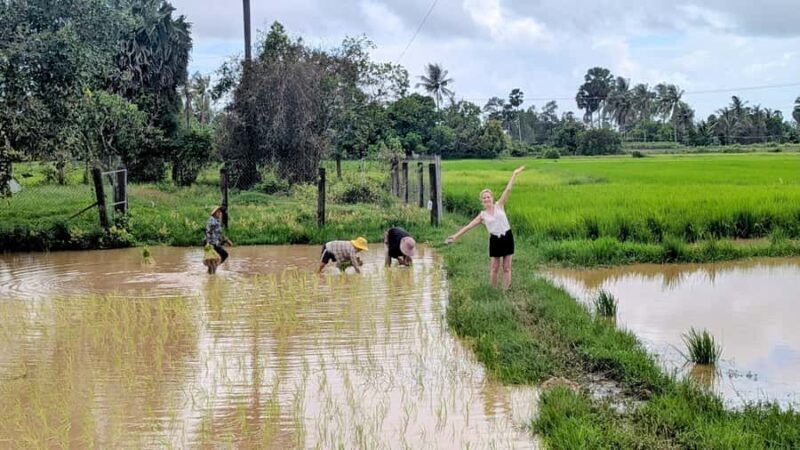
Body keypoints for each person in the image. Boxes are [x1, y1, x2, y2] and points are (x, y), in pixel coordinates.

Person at [446, 166, 524, 289]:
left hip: (507, 237)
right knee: (494, 267)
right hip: (495, 240)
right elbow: (468, 227)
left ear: (492, 198)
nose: (487, 199)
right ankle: (493, 290)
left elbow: (508, 190)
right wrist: (455, 236)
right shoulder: (482, 216)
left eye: (488, 197)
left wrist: (515, 174)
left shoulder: (500, 205)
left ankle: (506, 290)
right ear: (481, 201)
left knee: (507, 267)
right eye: (484, 198)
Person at [205, 206, 233, 273]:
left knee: (214, 259)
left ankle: (211, 271)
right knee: (224, 254)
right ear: (214, 213)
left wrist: (226, 240)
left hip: (216, 243)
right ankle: (212, 270)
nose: (220, 213)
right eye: (218, 212)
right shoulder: (211, 220)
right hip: (212, 243)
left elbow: (219, 233)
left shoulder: (217, 221)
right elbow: (208, 231)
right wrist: (208, 243)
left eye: (220, 212)